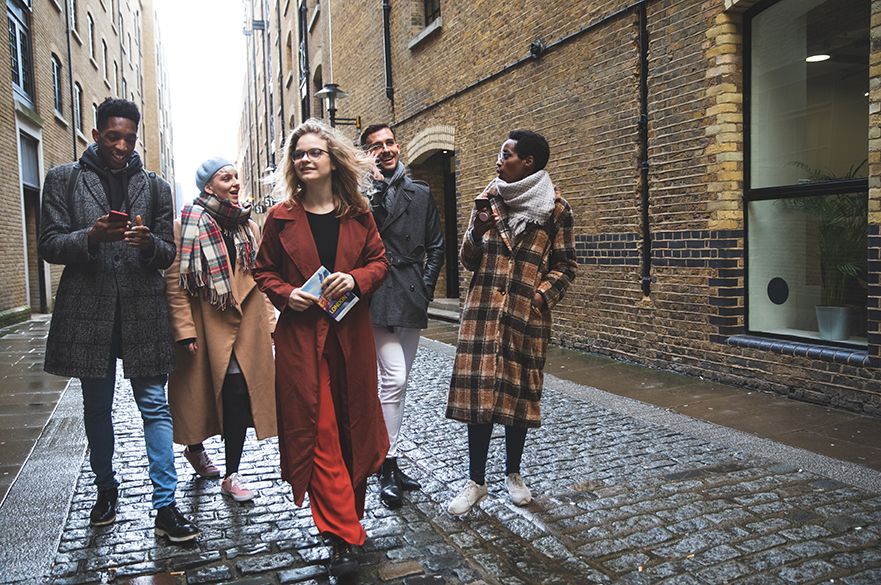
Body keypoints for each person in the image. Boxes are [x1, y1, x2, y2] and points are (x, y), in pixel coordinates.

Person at [38, 98, 199, 542]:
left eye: (130, 138)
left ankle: (166, 505)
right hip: (89, 315)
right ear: (96, 135)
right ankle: (106, 488)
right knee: (97, 409)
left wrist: (149, 244)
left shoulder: (157, 187)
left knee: (154, 407)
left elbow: (167, 255)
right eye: (114, 137)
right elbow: (49, 244)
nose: (123, 146)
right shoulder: (63, 180)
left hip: (143, 311)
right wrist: (89, 236)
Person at [253, 119, 389, 578]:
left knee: (354, 428)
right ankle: (345, 528)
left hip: (350, 336)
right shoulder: (280, 217)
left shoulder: (358, 213)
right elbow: (263, 271)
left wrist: (355, 278)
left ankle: (344, 517)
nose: (305, 159)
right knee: (321, 429)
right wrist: (286, 293)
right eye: (299, 154)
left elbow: (379, 262)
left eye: (314, 152)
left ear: (333, 160)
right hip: (301, 341)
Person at [445, 129, 577, 516]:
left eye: (506, 155)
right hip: (483, 313)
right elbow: (468, 259)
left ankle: (514, 475)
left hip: (526, 316)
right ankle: (476, 482)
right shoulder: (488, 200)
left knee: (518, 396)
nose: (499, 161)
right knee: (479, 398)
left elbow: (566, 266)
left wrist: (539, 296)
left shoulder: (556, 210)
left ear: (528, 163)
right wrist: (477, 230)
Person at [164, 158, 277, 501]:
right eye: (225, 178)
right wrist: (184, 330)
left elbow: (260, 280)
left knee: (238, 396)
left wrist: (270, 322)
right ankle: (195, 448)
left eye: (235, 177)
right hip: (205, 325)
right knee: (198, 400)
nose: (234, 183)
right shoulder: (185, 225)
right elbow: (175, 283)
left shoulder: (247, 226)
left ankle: (232, 473)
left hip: (246, 325)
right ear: (208, 186)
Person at [359, 124, 444, 509]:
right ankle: (385, 462)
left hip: (410, 292)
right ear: (365, 155)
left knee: (400, 383)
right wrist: (374, 189)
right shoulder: (357, 197)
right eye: (376, 146)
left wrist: (425, 286)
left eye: (390, 143)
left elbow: (437, 245)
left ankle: (387, 461)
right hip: (376, 294)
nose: (386, 150)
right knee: (394, 377)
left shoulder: (420, 193)